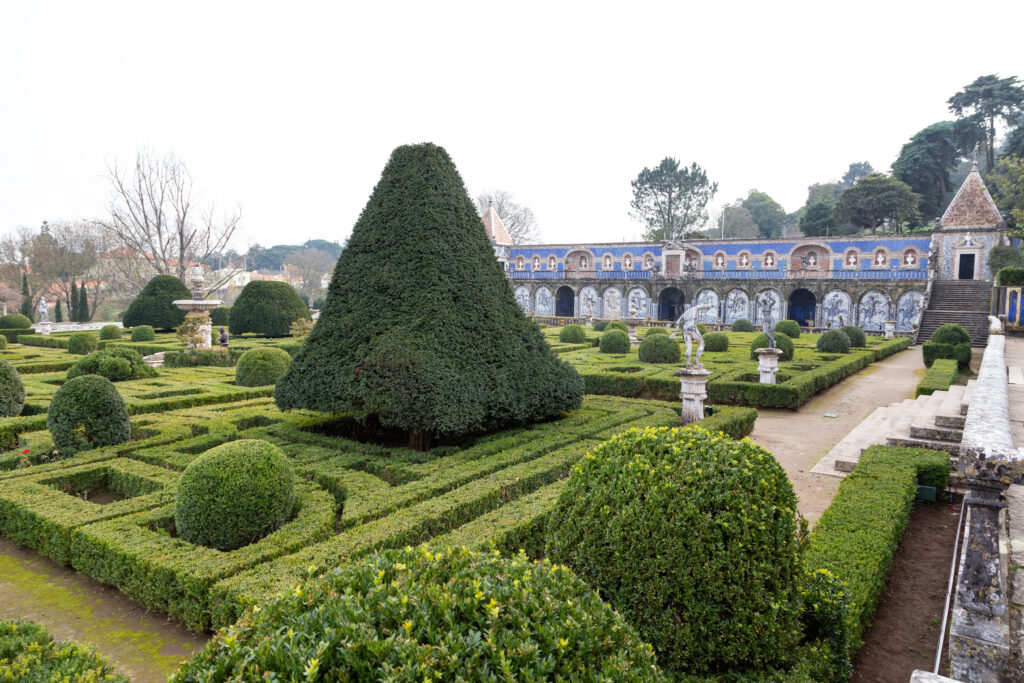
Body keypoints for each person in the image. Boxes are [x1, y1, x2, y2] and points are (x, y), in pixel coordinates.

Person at [670, 303, 713, 368]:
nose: (705, 310)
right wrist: (708, 305)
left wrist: (675, 333)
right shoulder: (695, 308)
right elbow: (701, 306)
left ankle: (688, 364)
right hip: (692, 327)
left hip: (685, 329)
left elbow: (678, 322)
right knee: (702, 344)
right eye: (705, 310)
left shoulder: (685, 313)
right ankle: (696, 361)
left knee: (689, 347)